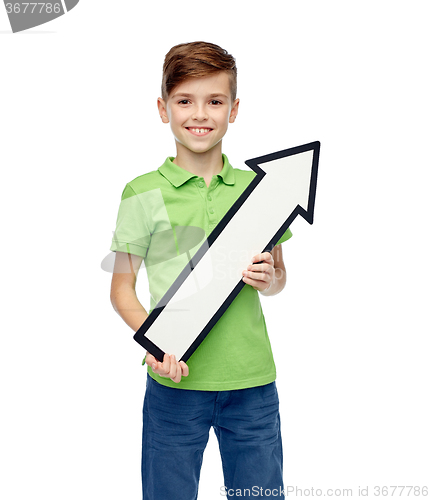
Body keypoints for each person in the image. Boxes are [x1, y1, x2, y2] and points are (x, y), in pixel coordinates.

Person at [109, 41, 292, 499]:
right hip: (174, 382)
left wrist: (272, 279)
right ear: (162, 108)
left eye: (215, 101)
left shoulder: (259, 190)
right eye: (185, 100)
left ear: (233, 110)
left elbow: (279, 278)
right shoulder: (141, 192)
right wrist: (153, 345)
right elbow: (121, 290)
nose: (200, 114)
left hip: (251, 383)